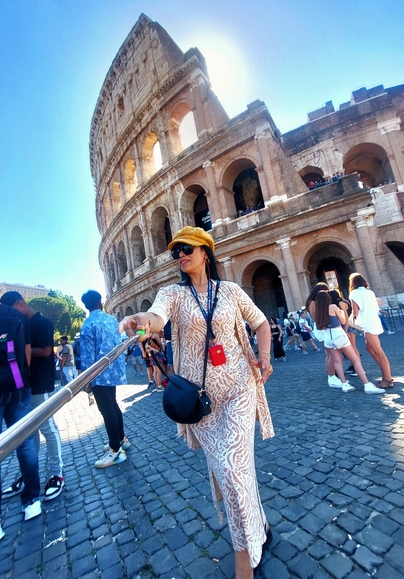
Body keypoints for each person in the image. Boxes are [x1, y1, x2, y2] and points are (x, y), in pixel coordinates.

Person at [119, 226, 274, 579]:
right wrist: (142, 321)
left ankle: (243, 565)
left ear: (206, 251)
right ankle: (260, 526)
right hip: (199, 400)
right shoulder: (172, 293)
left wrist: (264, 355)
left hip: (237, 389)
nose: (181, 255)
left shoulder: (231, 291)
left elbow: (261, 323)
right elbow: (157, 318)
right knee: (231, 473)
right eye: (176, 251)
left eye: (187, 248)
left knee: (234, 470)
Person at [0, 273, 41, 550]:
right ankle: (33, 501)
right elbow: (26, 352)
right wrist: (22, 378)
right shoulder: (18, 317)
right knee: (26, 445)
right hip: (19, 387)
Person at [0, 292, 64, 502]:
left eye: (12, 309)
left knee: (48, 428)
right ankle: (29, 475)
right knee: (29, 432)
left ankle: (56, 473)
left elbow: (46, 351)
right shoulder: (17, 322)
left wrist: (21, 350)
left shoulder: (42, 322)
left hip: (40, 383)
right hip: (24, 385)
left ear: (21, 303)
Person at [80, 290, 130, 468]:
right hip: (114, 369)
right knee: (113, 405)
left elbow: (86, 356)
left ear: (86, 306)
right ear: (100, 302)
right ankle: (120, 438)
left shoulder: (88, 325)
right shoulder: (111, 320)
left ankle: (115, 449)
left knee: (106, 409)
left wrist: (86, 379)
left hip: (99, 373)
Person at [314, 291, 384, 394]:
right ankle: (367, 384)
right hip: (338, 334)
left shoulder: (318, 312)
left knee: (337, 360)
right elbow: (342, 321)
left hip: (328, 337)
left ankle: (344, 384)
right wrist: (342, 312)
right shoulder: (332, 307)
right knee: (355, 360)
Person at [348, 273, 394, 389]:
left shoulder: (354, 293)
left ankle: (388, 379)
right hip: (374, 322)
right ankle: (385, 373)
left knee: (379, 352)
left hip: (368, 324)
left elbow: (355, 312)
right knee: (370, 349)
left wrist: (350, 320)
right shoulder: (370, 293)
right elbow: (378, 302)